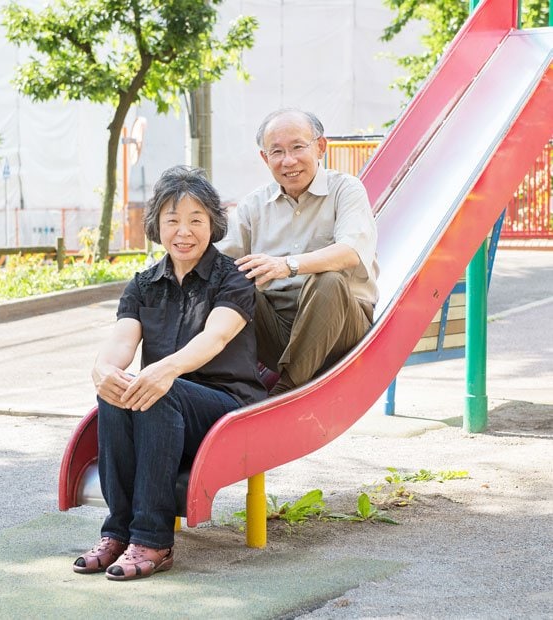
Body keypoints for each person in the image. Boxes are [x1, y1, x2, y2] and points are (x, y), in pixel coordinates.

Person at [73, 165, 267, 581]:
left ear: (213, 223)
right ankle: (117, 533)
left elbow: (214, 339)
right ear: (157, 226)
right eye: (173, 220)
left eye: (196, 220)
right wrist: (102, 371)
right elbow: (122, 342)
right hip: (162, 402)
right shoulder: (144, 284)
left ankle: (152, 540)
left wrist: (164, 371)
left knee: (160, 389)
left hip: (227, 407)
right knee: (115, 391)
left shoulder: (234, 278)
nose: (184, 231)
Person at [217, 108, 379, 396]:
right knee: (230, 283)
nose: (288, 161)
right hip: (277, 329)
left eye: (297, 147)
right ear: (265, 159)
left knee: (328, 279)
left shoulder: (346, 190)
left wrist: (287, 265)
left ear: (320, 147)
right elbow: (220, 264)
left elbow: (351, 251)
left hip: (340, 327)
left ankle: (286, 391)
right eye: (276, 152)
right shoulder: (253, 205)